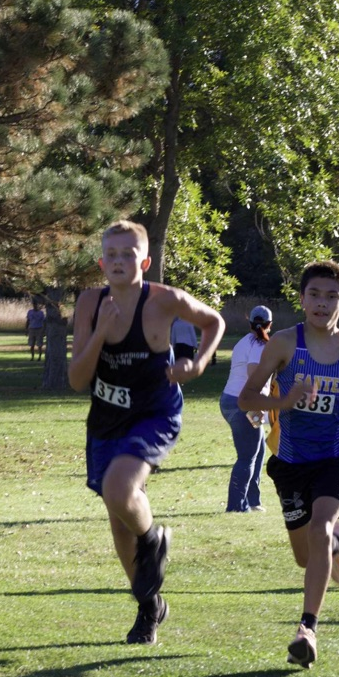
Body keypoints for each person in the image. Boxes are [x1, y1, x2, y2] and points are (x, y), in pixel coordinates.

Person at [69, 220, 225, 646]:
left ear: (146, 261)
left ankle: (153, 537)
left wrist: (198, 364)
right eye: (112, 255)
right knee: (119, 520)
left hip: (155, 413)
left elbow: (215, 323)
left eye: (128, 254)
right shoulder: (88, 303)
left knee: (120, 488)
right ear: (102, 262)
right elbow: (77, 380)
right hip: (106, 418)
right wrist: (100, 331)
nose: (119, 261)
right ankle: (149, 606)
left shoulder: (165, 301)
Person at [238, 260, 339, 669]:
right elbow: (247, 398)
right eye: (315, 295)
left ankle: (307, 629)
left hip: (334, 457)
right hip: (289, 461)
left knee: (320, 527)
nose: (322, 304)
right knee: (306, 557)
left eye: (331, 297)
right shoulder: (285, 344)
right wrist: (284, 402)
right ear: (302, 299)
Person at [219, 305, 273, 513]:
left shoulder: (244, 341)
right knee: (247, 455)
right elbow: (253, 375)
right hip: (244, 405)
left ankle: (253, 500)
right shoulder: (260, 344)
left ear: (249, 322)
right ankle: (236, 506)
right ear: (270, 324)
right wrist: (259, 407)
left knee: (258, 448)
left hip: (231, 401)